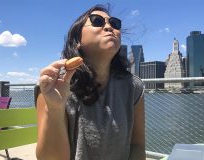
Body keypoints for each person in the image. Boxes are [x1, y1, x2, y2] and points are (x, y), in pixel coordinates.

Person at [35, 4, 145, 160]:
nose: (109, 27)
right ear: (77, 40)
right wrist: (54, 108)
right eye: (97, 21)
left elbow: (137, 144)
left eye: (115, 23)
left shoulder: (133, 86)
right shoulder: (54, 87)